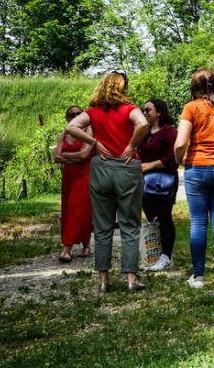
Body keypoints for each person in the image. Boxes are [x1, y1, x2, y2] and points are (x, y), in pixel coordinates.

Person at [66, 72, 148, 292]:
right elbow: (142, 124)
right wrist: (132, 145)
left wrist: (93, 141)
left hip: (101, 168)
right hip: (126, 167)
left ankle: (103, 280)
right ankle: (131, 278)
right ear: (122, 88)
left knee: (102, 226)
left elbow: (71, 127)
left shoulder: (92, 112)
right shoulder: (130, 109)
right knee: (130, 224)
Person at [174, 68, 214, 290]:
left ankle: (199, 277)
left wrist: (179, 159)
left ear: (195, 86)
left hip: (198, 169)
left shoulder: (191, 108)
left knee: (198, 222)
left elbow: (180, 143)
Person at [138, 99, 178, 271]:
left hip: (164, 182)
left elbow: (173, 157)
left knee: (164, 218)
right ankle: (156, 253)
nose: (145, 112)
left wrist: (150, 165)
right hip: (146, 183)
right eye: (143, 110)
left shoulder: (169, 131)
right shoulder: (145, 133)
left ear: (159, 112)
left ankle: (167, 256)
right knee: (152, 219)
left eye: (148, 110)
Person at [54, 106, 93, 263]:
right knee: (70, 210)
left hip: (85, 176)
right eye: (72, 115)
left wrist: (64, 156)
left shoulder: (89, 131)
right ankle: (86, 244)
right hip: (68, 176)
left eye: (79, 114)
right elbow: (56, 158)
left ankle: (66, 249)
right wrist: (73, 157)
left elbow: (84, 155)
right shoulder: (64, 134)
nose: (76, 116)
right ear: (68, 119)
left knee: (75, 207)